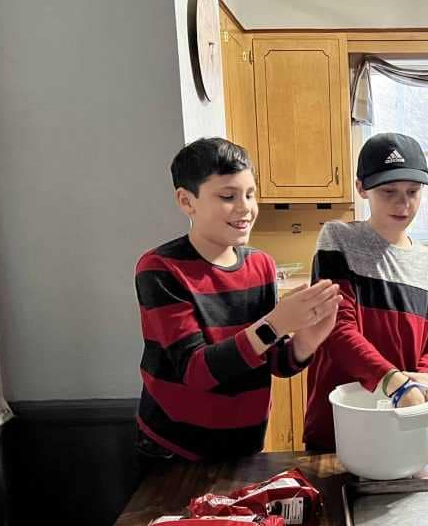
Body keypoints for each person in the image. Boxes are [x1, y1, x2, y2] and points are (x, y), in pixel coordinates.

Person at [135, 138, 342, 462]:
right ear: (186, 201)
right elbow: (196, 371)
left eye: (250, 194)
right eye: (228, 196)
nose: (246, 207)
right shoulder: (160, 269)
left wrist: (305, 343)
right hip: (174, 449)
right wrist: (275, 323)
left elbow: (274, 362)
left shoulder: (261, 265)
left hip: (245, 445)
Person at [303, 132, 428, 451]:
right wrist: (395, 383)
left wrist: (423, 379)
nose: (403, 203)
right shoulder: (337, 239)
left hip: (404, 420)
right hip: (340, 424)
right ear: (361, 188)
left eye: (413, 191)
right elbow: (337, 330)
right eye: (388, 192)